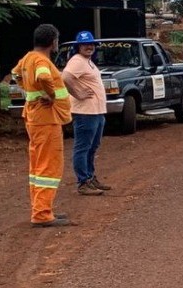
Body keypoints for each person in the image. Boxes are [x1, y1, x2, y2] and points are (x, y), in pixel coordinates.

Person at [11, 24, 73, 227]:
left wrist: (31, 92)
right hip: (46, 119)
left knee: (38, 167)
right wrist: (51, 94)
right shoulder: (40, 60)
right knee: (49, 165)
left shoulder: (28, 58)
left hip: (35, 118)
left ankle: (41, 209)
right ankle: (42, 214)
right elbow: (44, 76)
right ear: (53, 41)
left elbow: (15, 74)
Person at [62, 30, 110, 196]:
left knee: (92, 147)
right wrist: (77, 93)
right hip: (85, 113)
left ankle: (90, 177)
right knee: (82, 148)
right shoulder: (77, 61)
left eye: (91, 44)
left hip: (96, 112)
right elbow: (65, 77)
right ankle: (83, 182)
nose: (89, 47)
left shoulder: (88, 61)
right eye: (85, 44)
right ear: (78, 47)